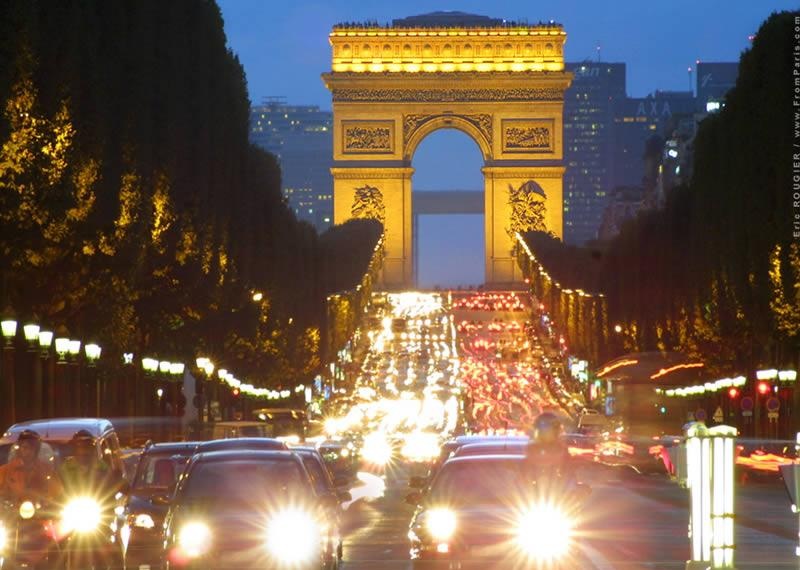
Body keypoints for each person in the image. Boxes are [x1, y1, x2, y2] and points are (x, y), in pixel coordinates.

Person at [0, 430, 63, 503]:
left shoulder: (46, 470)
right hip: (12, 512)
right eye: (25, 447)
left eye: (32, 448)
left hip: (41, 512)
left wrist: (48, 501)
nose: (28, 451)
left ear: (37, 450)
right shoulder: (5, 471)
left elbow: (58, 493)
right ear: (19, 448)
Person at [59, 430, 125, 498]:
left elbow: (114, 483)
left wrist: (116, 480)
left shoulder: (101, 466)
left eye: (87, 447)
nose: (84, 451)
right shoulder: (66, 467)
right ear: (75, 449)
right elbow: (57, 487)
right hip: (69, 505)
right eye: (81, 447)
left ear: (92, 449)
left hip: (98, 504)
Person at [524, 412, 575, 490]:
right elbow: (523, 474)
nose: (546, 432)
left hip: (557, 493)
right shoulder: (531, 449)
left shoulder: (562, 450)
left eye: (549, 428)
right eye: (542, 428)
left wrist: (574, 490)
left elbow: (569, 474)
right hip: (532, 494)